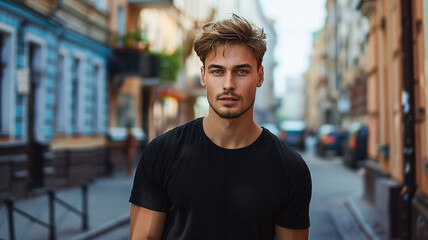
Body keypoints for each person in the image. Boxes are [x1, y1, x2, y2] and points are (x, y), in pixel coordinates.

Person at [129, 14, 312, 240]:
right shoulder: (162, 153)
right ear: (204, 76)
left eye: (241, 71)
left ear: (260, 76)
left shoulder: (290, 168)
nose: (228, 84)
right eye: (217, 71)